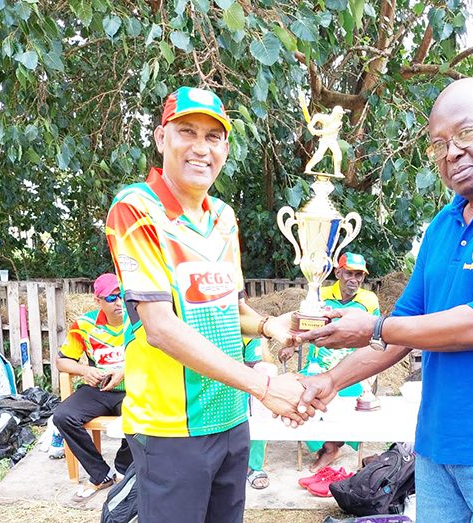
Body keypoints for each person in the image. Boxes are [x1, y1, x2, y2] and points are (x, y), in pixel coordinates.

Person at [295, 77, 473, 522]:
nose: (451, 152)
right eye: (438, 144)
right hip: (438, 443)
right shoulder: (442, 225)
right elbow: (405, 327)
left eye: (466, 133)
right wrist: (332, 381)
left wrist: (372, 326)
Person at [105, 86, 311, 523]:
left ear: (226, 148)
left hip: (232, 418)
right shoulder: (136, 208)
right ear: (162, 139)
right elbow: (160, 328)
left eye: (213, 137)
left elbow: (230, 310)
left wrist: (272, 326)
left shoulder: (223, 216)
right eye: (187, 132)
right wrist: (264, 388)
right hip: (171, 429)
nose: (201, 148)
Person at [279, 252, 380, 472]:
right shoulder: (320, 295)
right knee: (299, 393)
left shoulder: (369, 300)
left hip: (352, 365)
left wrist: (370, 372)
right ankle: (326, 445)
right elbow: (302, 328)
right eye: (349, 273)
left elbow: (377, 334)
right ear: (338, 272)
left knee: (352, 396)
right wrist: (290, 345)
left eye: (359, 275)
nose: (354, 279)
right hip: (319, 363)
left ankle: (333, 446)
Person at [53, 272, 133, 502]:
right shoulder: (85, 325)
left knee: (140, 414)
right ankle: (101, 474)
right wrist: (85, 370)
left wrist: (125, 371)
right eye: (111, 298)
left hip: (133, 387)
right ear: (97, 301)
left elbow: (158, 356)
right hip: (99, 388)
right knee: (63, 416)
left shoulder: (138, 320)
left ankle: (122, 468)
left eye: (122, 296)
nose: (118, 302)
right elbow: (62, 361)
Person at [243, 336, 273, 490]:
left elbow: (255, 368)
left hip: (244, 386)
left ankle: (253, 466)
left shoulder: (250, 337)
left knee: (257, 418)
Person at [304, 105, 346, 176]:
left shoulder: (338, 124)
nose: (340, 116)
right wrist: (311, 124)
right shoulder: (327, 118)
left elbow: (329, 131)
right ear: (335, 114)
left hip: (332, 140)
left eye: (341, 114)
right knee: (319, 155)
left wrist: (317, 132)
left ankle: (337, 172)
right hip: (325, 140)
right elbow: (317, 116)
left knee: (338, 155)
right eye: (339, 114)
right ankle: (308, 168)